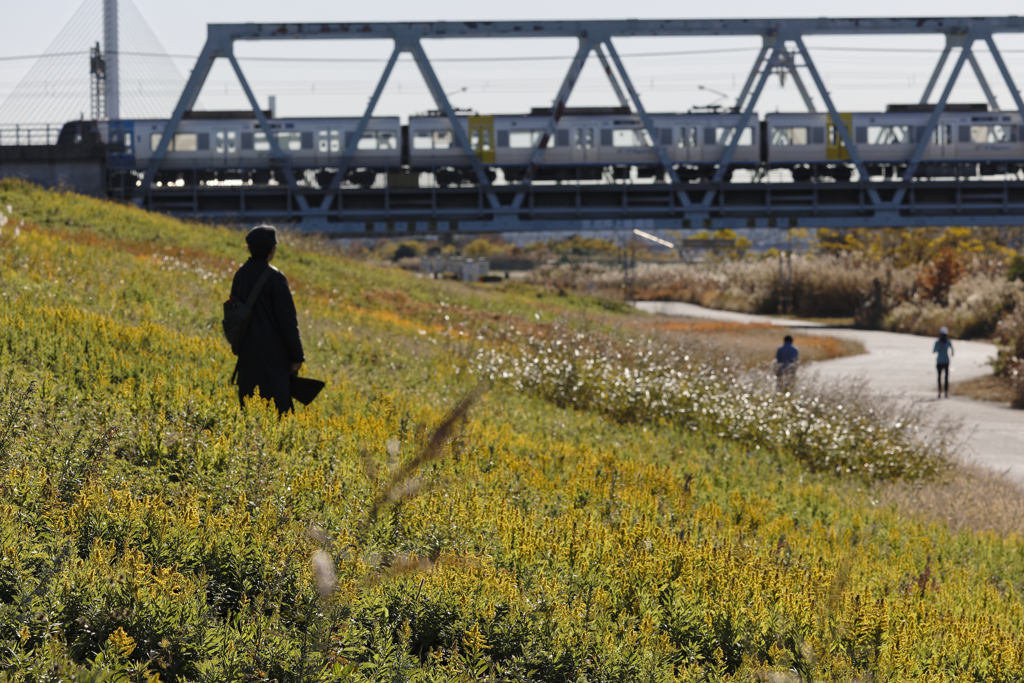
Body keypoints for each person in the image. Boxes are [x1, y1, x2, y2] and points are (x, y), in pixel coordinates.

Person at [230, 225, 305, 415]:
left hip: (247, 356)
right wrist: (297, 356)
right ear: (272, 249)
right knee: (278, 414)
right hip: (274, 359)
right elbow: (287, 321)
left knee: (250, 413)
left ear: (249, 248)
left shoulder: (240, 275)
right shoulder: (275, 278)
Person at [933, 326, 954, 399]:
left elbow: (952, 349)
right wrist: (940, 347)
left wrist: (952, 353)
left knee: (946, 377)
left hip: (946, 361)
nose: (944, 336)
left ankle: (946, 392)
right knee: (939, 377)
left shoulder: (948, 342)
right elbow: (934, 351)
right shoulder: (937, 342)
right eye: (942, 335)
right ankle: (939, 392)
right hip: (939, 361)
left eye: (945, 335)